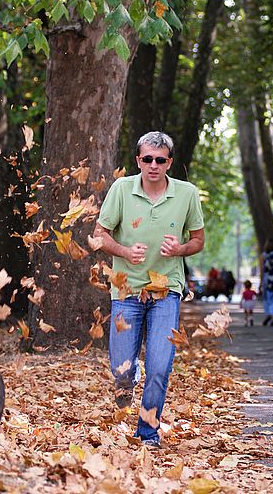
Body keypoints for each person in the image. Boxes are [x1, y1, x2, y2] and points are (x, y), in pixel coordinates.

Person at [93, 131, 205, 447]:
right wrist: (125, 252)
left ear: (169, 162)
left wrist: (181, 249)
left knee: (161, 365)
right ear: (138, 161)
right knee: (121, 371)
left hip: (166, 290)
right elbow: (99, 235)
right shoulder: (121, 189)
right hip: (126, 290)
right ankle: (131, 374)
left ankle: (148, 432)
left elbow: (198, 240)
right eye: (147, 159)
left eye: (160, 160)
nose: (153, 165)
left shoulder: (187, 194)